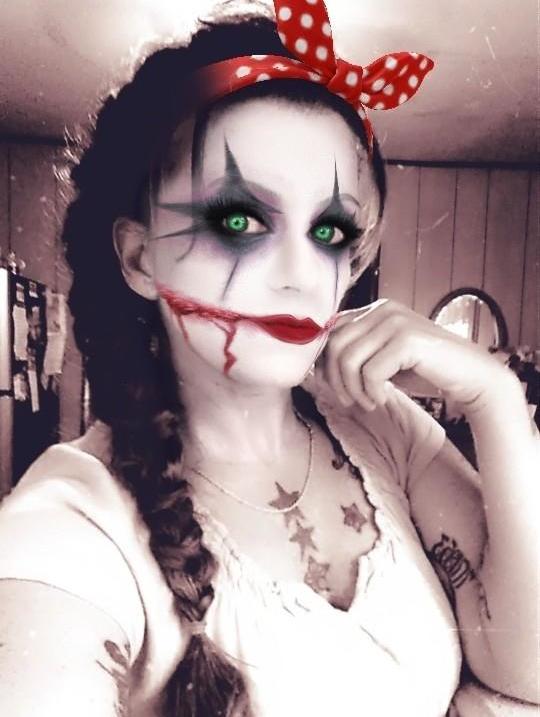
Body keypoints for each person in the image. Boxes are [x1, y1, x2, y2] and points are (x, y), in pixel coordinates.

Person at [0, 1, 538, 715]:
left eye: (330, 230)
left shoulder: (382, 427)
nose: (304, 275)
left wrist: (497, 400)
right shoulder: (74, 520)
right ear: (139, 257)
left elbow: (528, 666)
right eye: (239, 219)